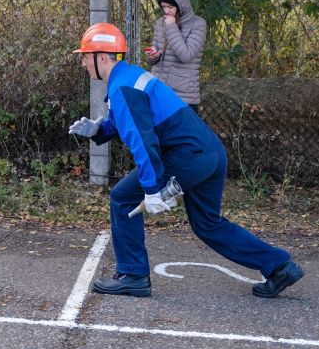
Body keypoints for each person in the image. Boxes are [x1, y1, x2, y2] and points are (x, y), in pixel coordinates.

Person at [69, 23, 303, 298]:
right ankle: (279, 266)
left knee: (122, 197)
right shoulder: (129, 76)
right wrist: (100, 130)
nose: (83, 62)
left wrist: (152, 189)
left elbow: (144, 143)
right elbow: (137, 122)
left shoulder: (122, 87)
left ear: (102, 57)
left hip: (188, 155)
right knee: (208, 224)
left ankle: (133, 275)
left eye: (85, 55)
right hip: (211, 152)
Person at [145, 0, 206, 112]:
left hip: (183, 97)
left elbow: (186, 55)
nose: (166, 11)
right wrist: (153, 55)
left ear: (181, 5)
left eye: (170, 7)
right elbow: (151, 61)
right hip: (158, 92)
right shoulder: (161, 22)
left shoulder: (198, 24)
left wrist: (172, 26)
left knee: (181, 133)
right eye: (164, 6)